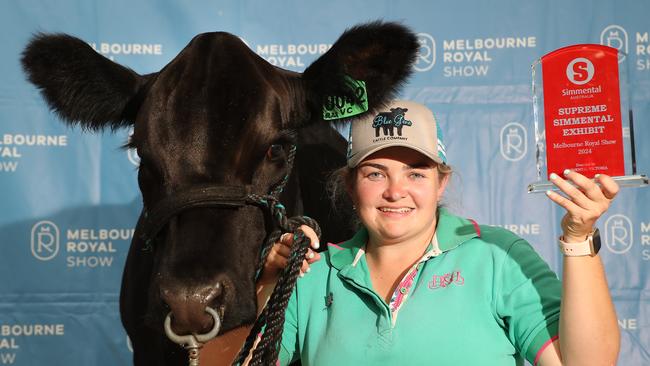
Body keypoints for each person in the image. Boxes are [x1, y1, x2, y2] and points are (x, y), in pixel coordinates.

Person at [206, 100, 620, 365]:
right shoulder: (316, 272)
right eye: (375, 173)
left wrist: (580, 237)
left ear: (441, 183)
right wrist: (267, 285)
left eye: (415, 173)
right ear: (350, 186)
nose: (395, 191)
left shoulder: (497, 255)